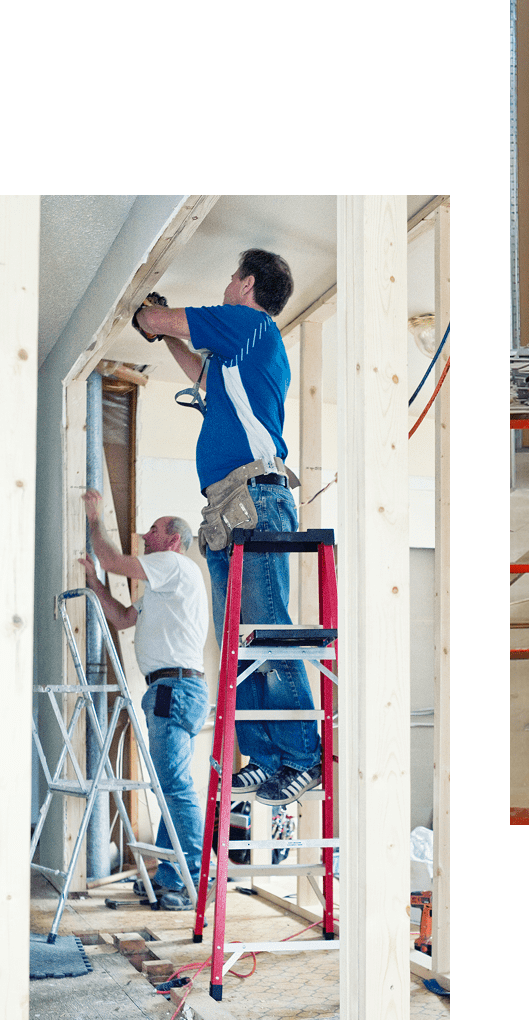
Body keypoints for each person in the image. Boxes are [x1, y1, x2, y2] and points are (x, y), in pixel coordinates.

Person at [133, 249, 323, 807]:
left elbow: (163, 320)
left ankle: (304, 757)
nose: (225, 284)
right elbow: (200, 372)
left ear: (246, 284)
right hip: (228, 510)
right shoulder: (235, 357)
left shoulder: (251, 325)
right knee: (240, 643)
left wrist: (149, 315)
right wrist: (166, 337)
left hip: (254, 502)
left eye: (230, 275)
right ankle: (267, 758)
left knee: (267, 634)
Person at [79, 490, 208, 910]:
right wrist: (96, 585)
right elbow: (122, 618)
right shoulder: (159, 589)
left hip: (174, 690)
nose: (145, 536)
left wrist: (95, 520)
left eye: (153, 530)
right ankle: (173, 876)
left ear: (173, 540)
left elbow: (115, 560)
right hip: (170, 690)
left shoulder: (173, 565)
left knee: (175, 787)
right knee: (170, 788)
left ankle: (192, 883)